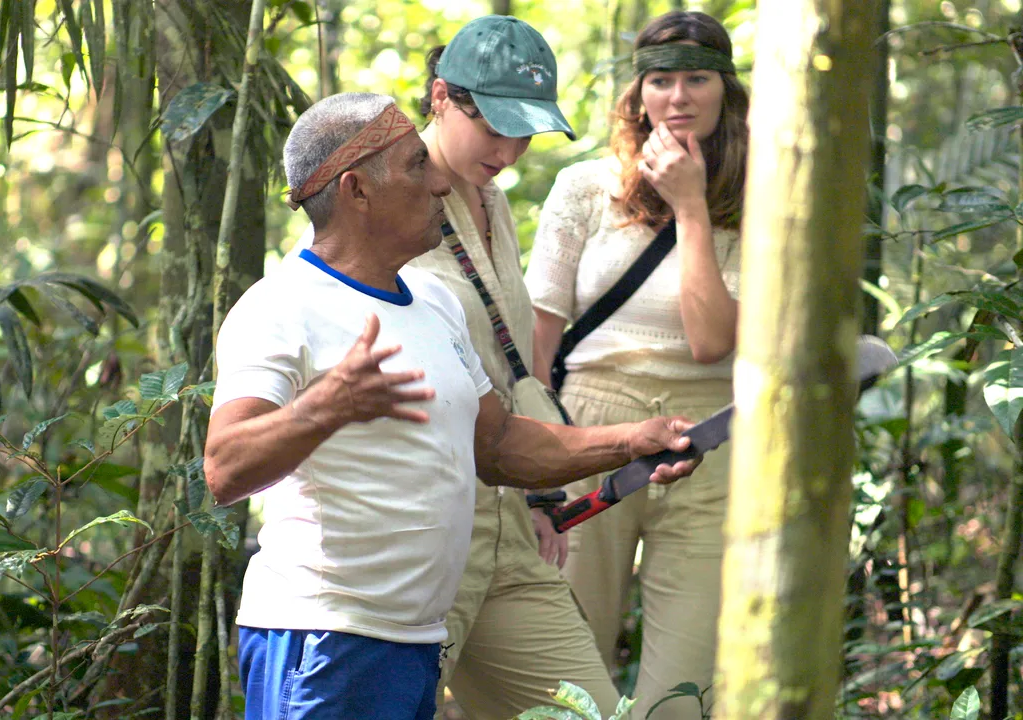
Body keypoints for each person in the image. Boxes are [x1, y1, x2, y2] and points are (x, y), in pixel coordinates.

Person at [205, 91, 700, 720]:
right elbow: (223, 469)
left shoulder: (433, 303)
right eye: (416, 165)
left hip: (416, 642)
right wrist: (324, 407)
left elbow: (497, 446)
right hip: (323, 634)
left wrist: (631, 442)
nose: (440, 182)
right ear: (356, 191)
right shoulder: (280, 306)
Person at [526, 11, 747, 720]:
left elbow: (714, 341)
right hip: (591, 429)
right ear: (638, 93)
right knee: (564, 667)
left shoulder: (765, 198)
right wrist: (531, 471)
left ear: (726, 91)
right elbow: (538, 344)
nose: (678, 97)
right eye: (661, 81)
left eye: (696, 79)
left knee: (687, 684)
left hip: (709, 442)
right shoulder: (586, 189)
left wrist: (690, 206)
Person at [402, 15, 621, 719]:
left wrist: (540, 494)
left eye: (524, 131)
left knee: (586, 708)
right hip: (424, 533)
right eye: (493, 125)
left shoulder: (490, 196)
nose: (508, 150)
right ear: (441, 96)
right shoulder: (386, 197)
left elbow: (505, 358)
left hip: (508, 526)